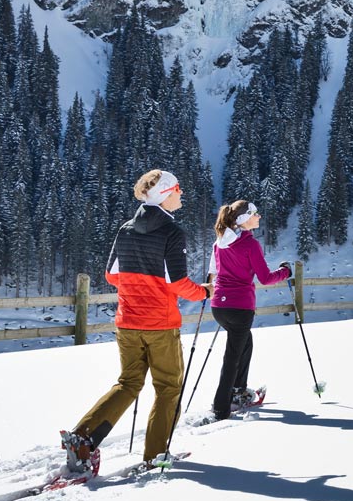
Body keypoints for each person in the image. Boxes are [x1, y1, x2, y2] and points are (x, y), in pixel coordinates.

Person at [58, 169, 209, 478]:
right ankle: (156, 454)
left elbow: (112, 275)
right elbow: (178, 282)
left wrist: (139, 281)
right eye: (178, 189)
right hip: (160, 325)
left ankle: (84, 436)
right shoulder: (172, 232)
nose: (182, 195)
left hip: (127, 322)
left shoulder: (126, 228)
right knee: (168, 388)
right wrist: (205, 291)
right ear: (166, 193)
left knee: (128, 383)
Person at [208, 200, 293, 420]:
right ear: (244, 219)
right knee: (232, 356)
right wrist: (285, 272)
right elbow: (265, 278)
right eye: (255, 214)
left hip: (220, 306)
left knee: (245, 343)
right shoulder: (249, 245)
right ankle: (222, 406)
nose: (259, 217)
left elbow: (215, 272)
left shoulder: (220, 242)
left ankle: (238, 391)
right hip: (240, 307)